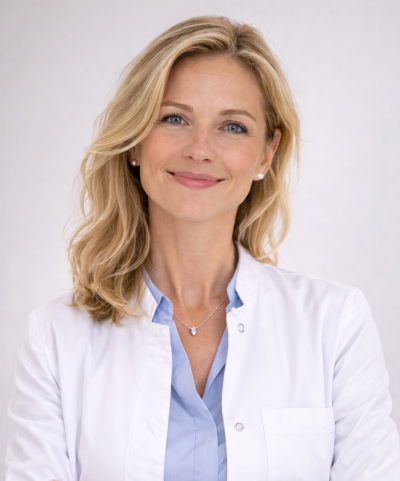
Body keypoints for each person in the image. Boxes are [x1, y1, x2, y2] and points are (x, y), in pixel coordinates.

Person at [5, 15, 400, 481]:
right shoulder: (55, 337)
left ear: (266, 153)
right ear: (135, 141)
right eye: (174, 118)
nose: (199, 149)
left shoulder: (336, 325)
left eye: (232, 126)